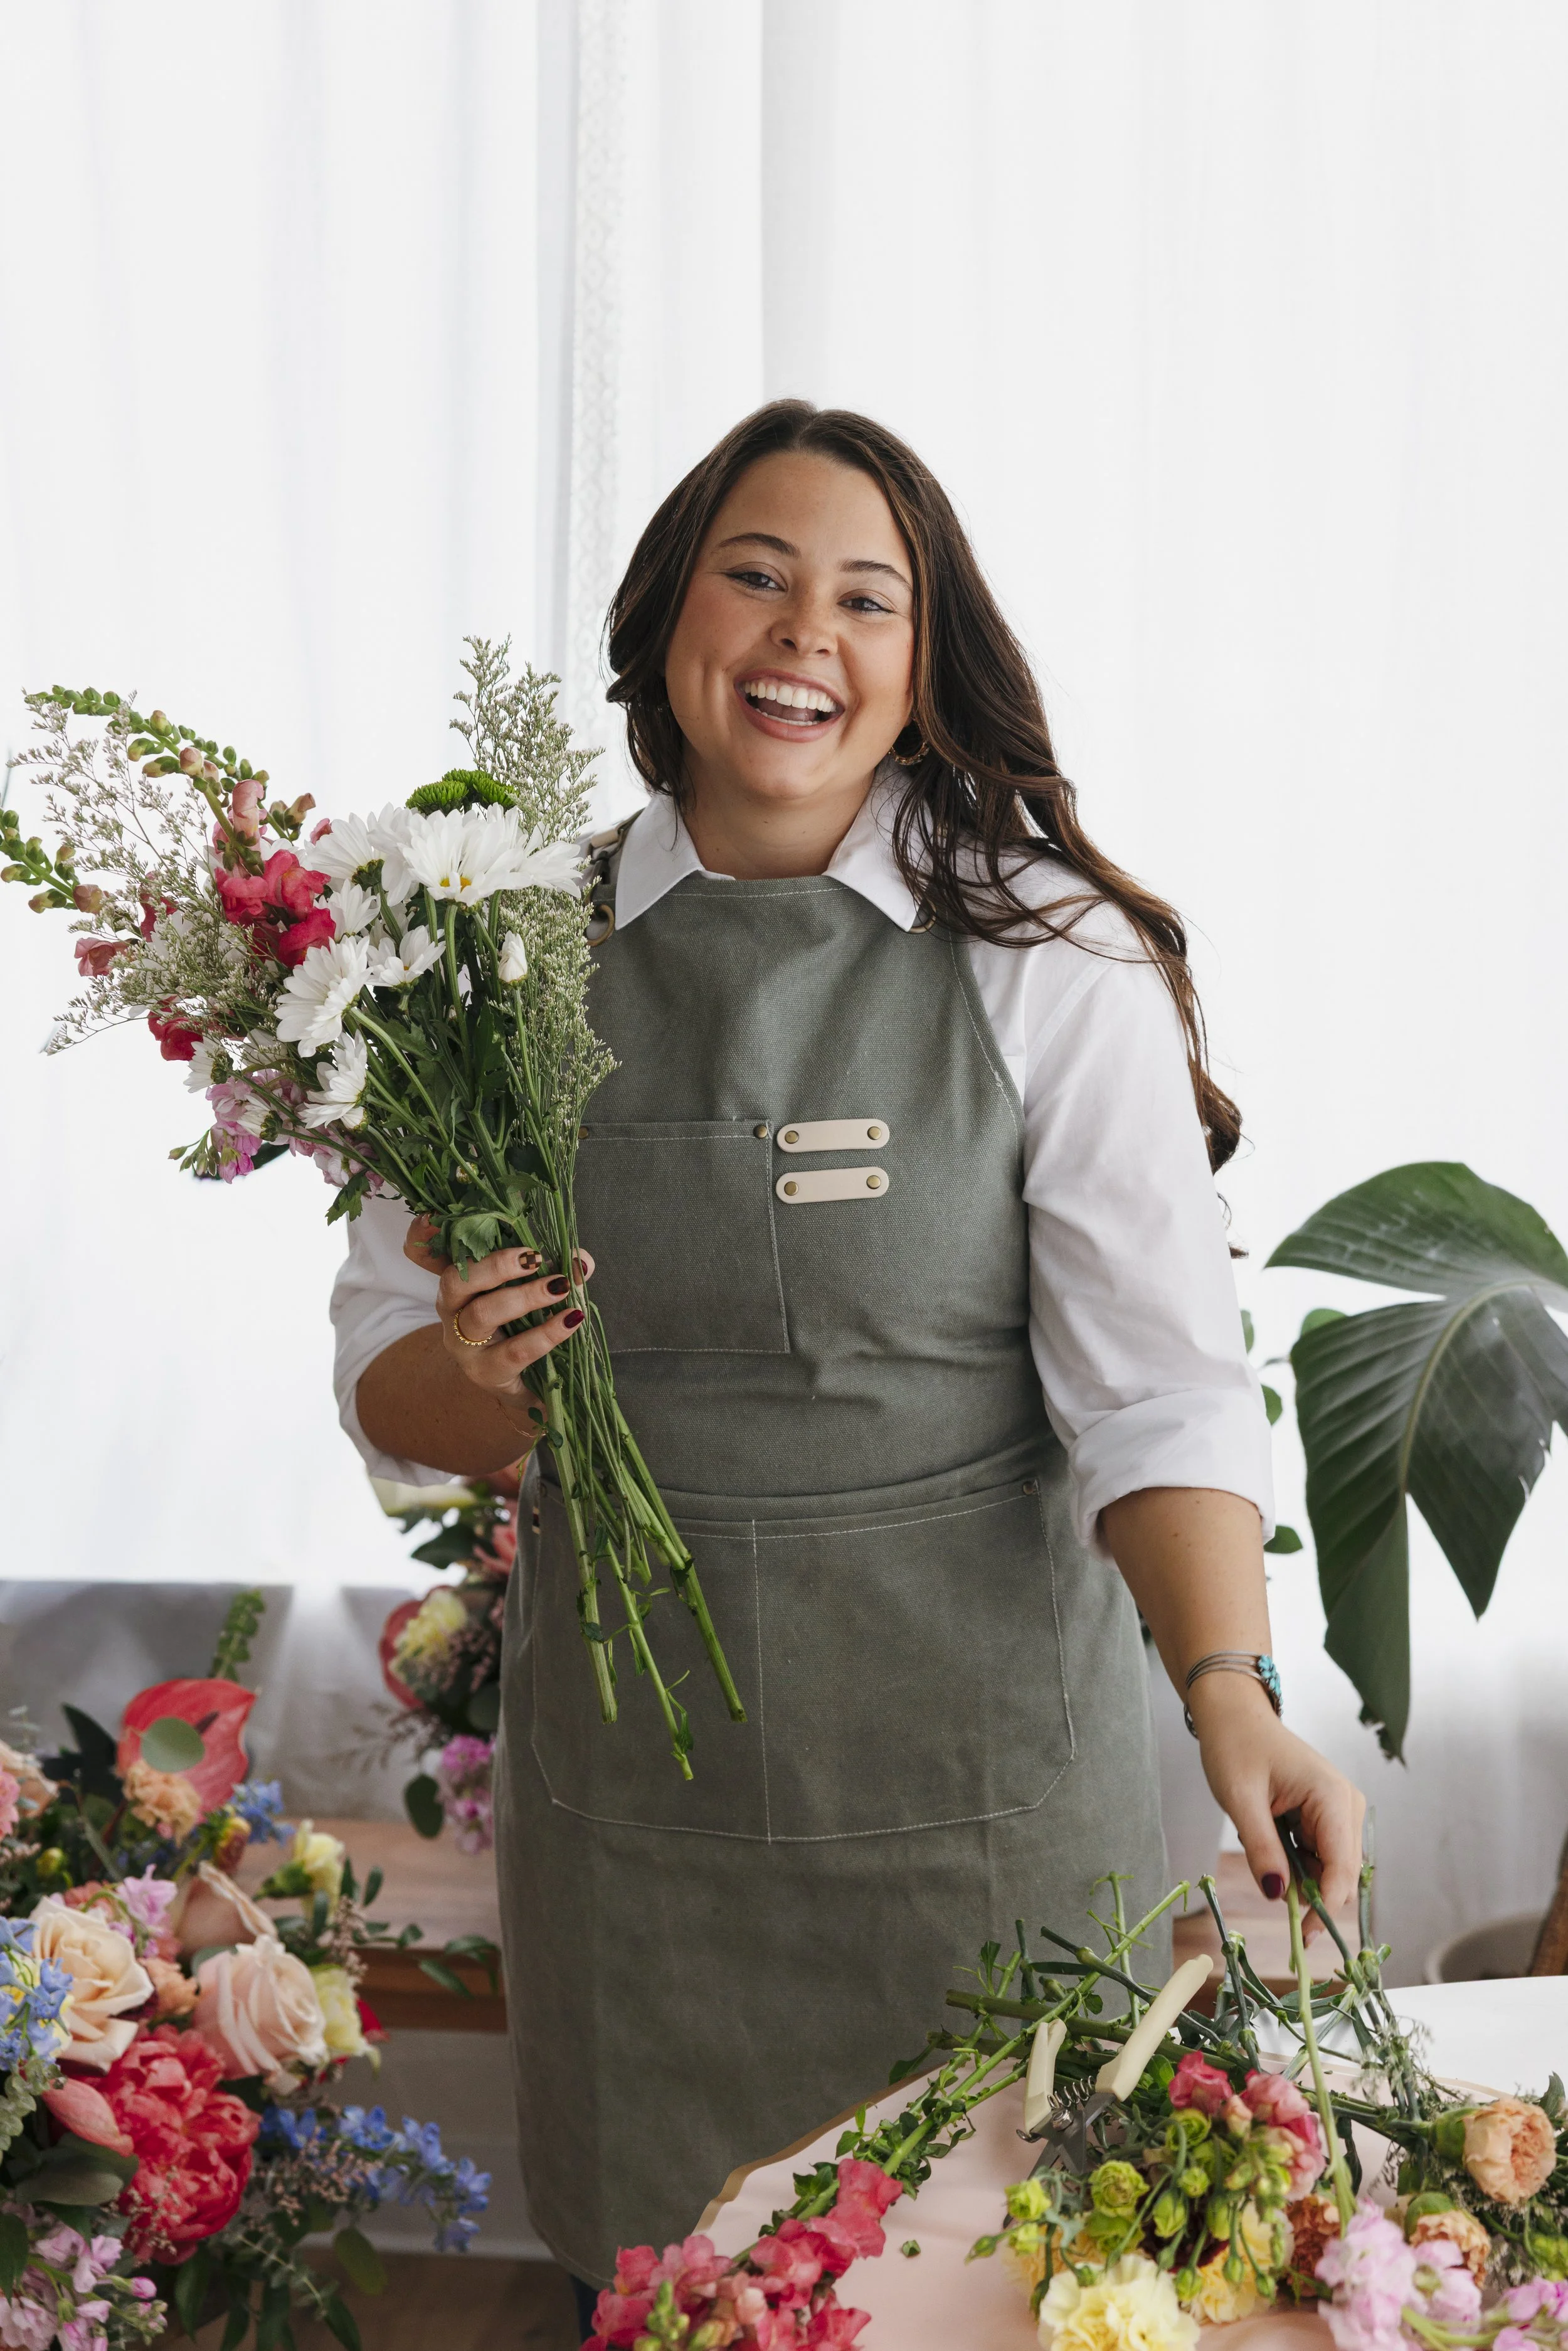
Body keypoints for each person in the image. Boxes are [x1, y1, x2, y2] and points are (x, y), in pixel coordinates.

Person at [332, 400, 1364, 2313]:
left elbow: (1152, 1387)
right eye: (758, 574)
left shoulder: (1045, 954)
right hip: (638, 1835)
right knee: (668, 2293)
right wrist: (489, 1379)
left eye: (866, 598)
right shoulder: (486, 961)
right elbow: (388, 1383)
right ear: (664, 623)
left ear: (916, 664)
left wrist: (1229, 1687)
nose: (807, 629)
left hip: (975, 1817)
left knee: (984, 2283)